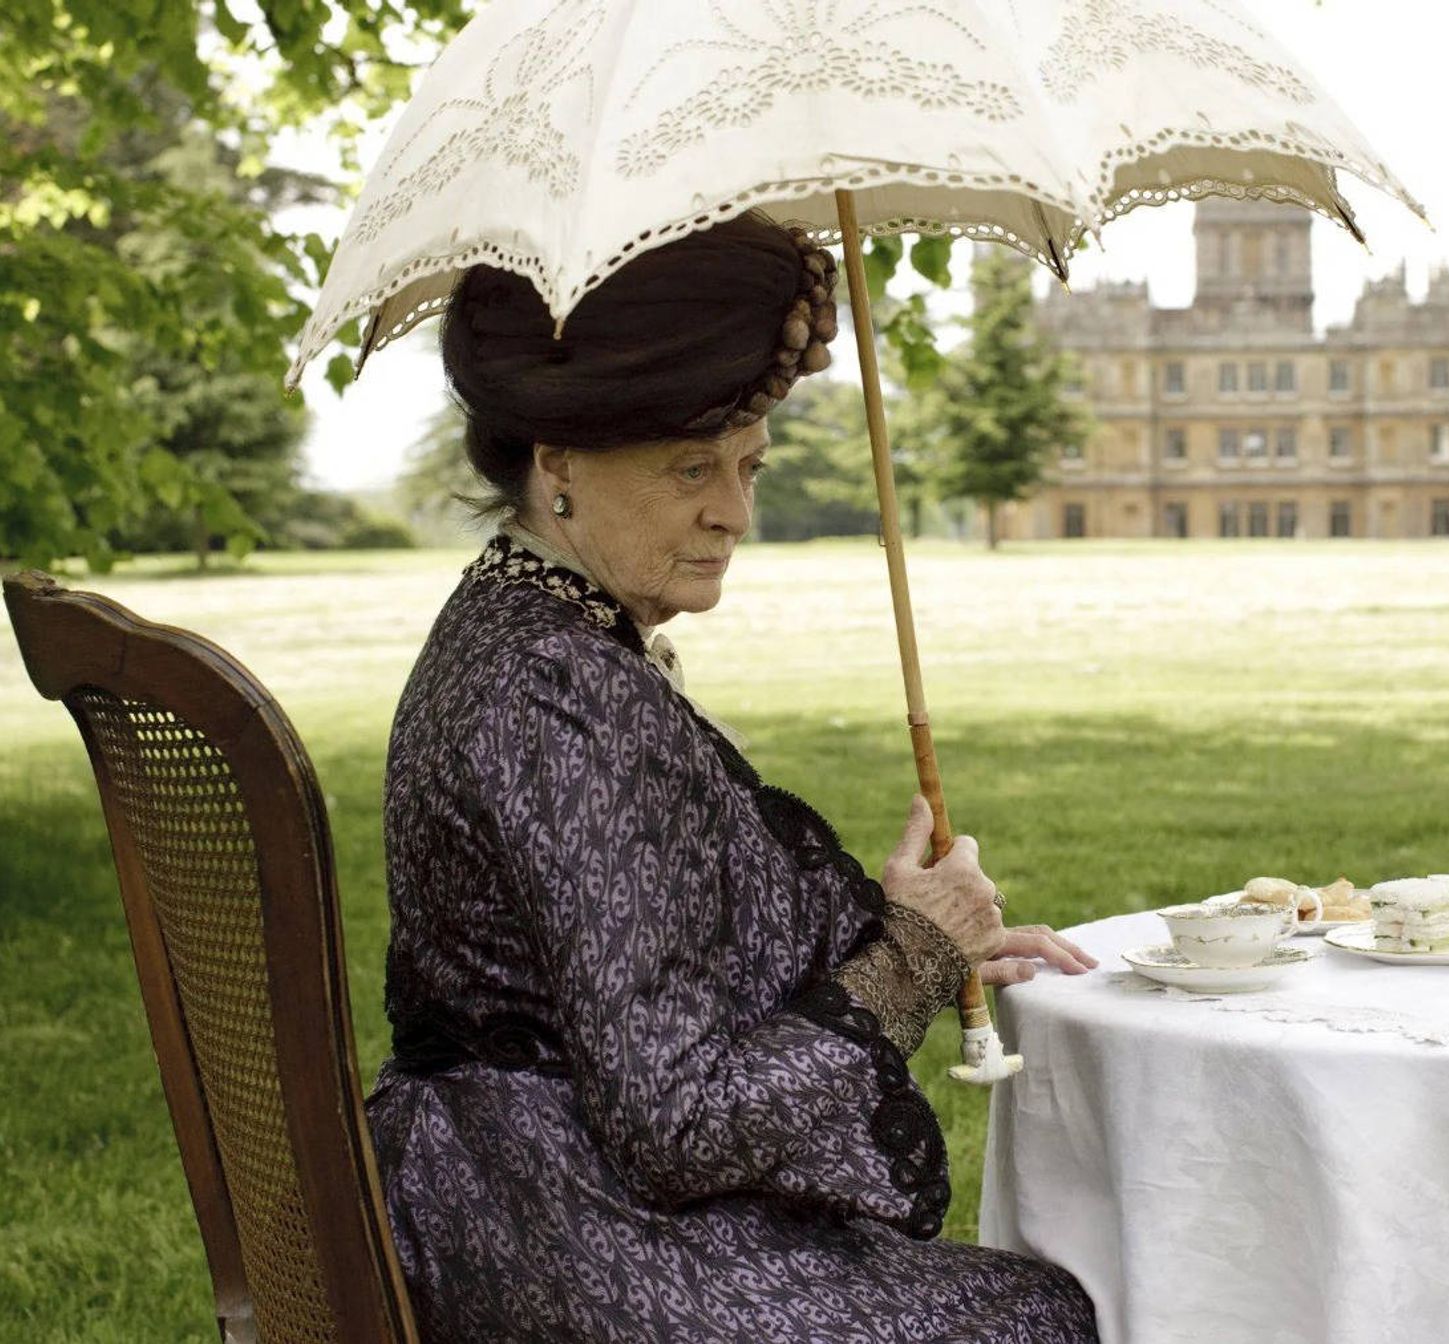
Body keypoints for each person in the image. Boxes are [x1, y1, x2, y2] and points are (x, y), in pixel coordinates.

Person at [366, 210, 1101, 1342]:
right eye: (692, 468)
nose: (735, 512)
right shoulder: (557, 691)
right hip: (564, 1242)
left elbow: (648, 956)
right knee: (1048, 1314)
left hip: (511, 1194)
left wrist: (913, 933)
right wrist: (907, 962)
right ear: (557, 462)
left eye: (749, 465)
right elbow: (677, 1122)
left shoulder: (526, 630)